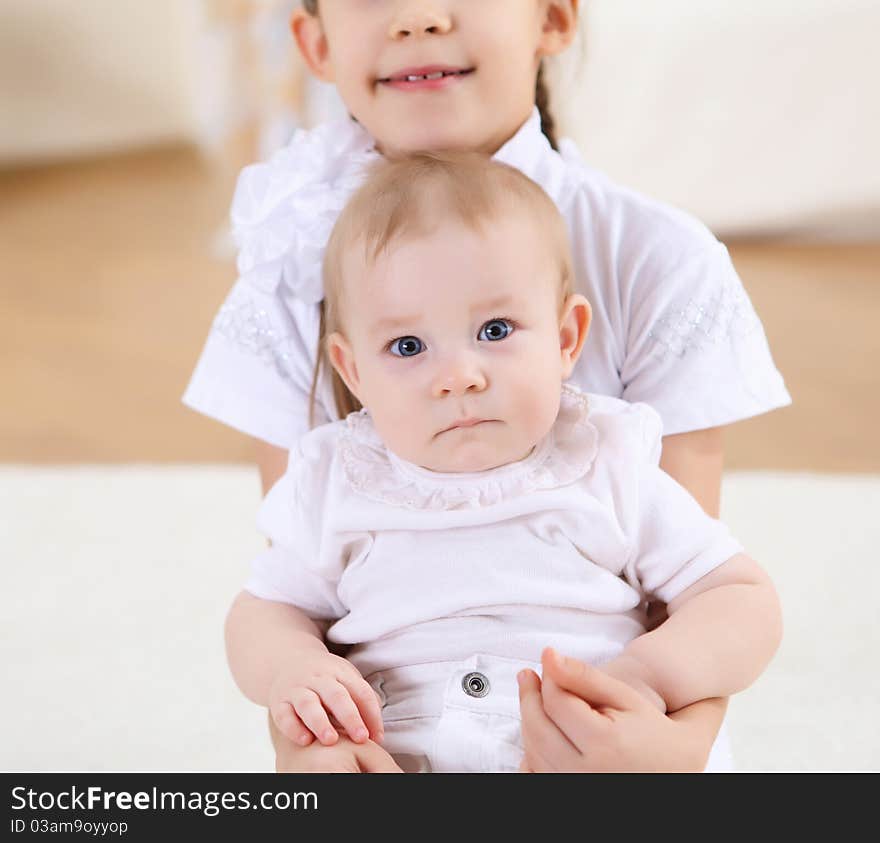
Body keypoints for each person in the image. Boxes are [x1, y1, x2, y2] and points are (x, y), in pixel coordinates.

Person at [186, 0, 791, 771]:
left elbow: (703, 597)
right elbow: (304, 607)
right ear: (315, 41)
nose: (417, 18)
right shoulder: (289, 273)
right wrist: (307, 736)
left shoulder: (655, 260)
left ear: (554, 17)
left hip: (607, 740)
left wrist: (670, 740)